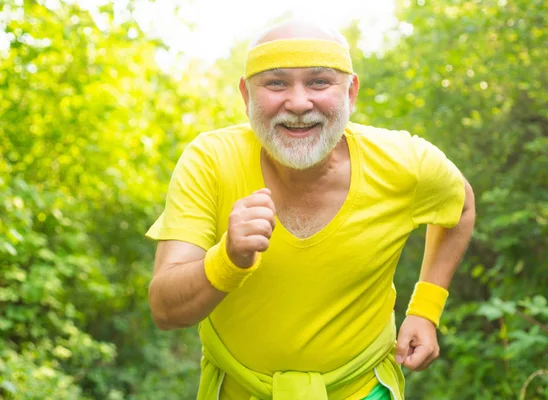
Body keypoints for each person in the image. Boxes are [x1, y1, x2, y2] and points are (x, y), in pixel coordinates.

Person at [146, 19, 476, 400]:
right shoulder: (210, 161)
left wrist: (426, 308)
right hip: (239, 390)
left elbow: (461, 206)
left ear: (351, 92)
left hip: (363, 389)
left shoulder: (404, 163)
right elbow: (165, 311)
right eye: (276, 83)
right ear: (246, 94)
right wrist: (227, 259)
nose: (299, 103)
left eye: (319, 82)